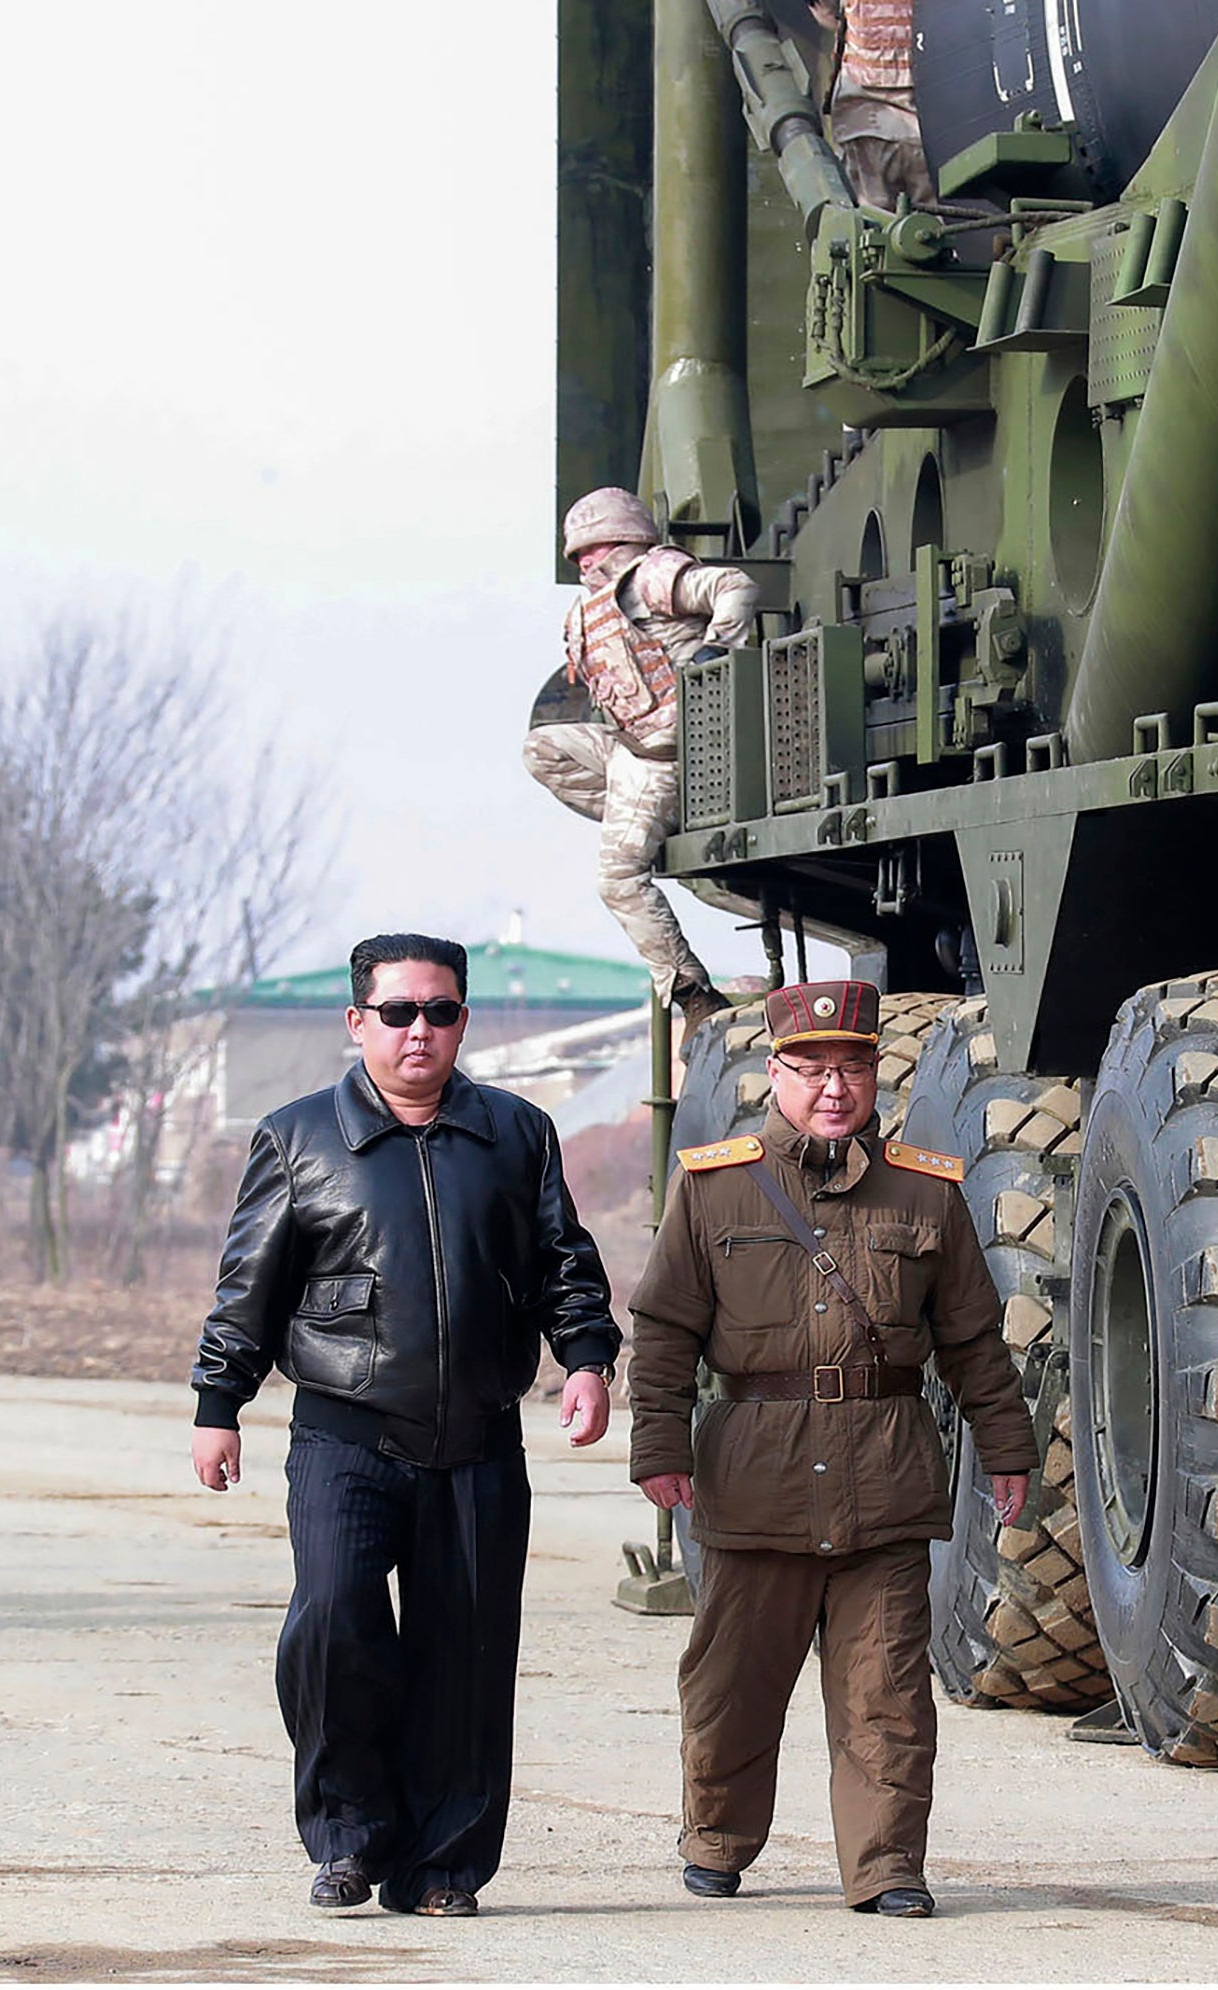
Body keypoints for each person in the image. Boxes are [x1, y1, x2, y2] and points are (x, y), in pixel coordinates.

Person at [191, 932, 620, 1918]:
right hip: (345, 1434)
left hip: (476, 1441)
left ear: (463, 1019)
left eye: (439, 1011)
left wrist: (587, 1358)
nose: (419, 1031)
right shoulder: (297, 1138)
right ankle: (349, 1839)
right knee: (334, 1623)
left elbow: (565, 1262)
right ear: (358, 1022)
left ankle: (441, 1867)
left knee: (465, 1658)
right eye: (398, 1012)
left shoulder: (516, 1133)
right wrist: (221, 1403)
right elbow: (246, 1288)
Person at [626, 979, 1034, 1916]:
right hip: (754, 1475)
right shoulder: (715, 1183)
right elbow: (662, 1330)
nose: (833, 1088)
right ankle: (719, 1839)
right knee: (732, 1682)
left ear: (873, 1073)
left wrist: (1005, 1446)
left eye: (850, 1067)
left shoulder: (926, 1193)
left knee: (886, 1694)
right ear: (775, 1074)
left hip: (883, 1472)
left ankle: (887, 1867)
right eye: (811, 1069)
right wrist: (659, 1445)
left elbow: (974, 1338)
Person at [524, 487, 756, 1034]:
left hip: (673, 756)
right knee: (543, 749)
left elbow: (735, 586)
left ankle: (692, 993)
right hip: (632, 748)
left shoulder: (653, 576)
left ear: (624, 540)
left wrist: (717, 647)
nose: (583, 563)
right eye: (576, 554)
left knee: (619, 877)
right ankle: (650, 824)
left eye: (591, 549)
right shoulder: (590, 610)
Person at [817, 1, 932, 210]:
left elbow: (824, 12)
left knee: (871, 222)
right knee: (943, 226)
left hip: (865, 120)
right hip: (935, 122)